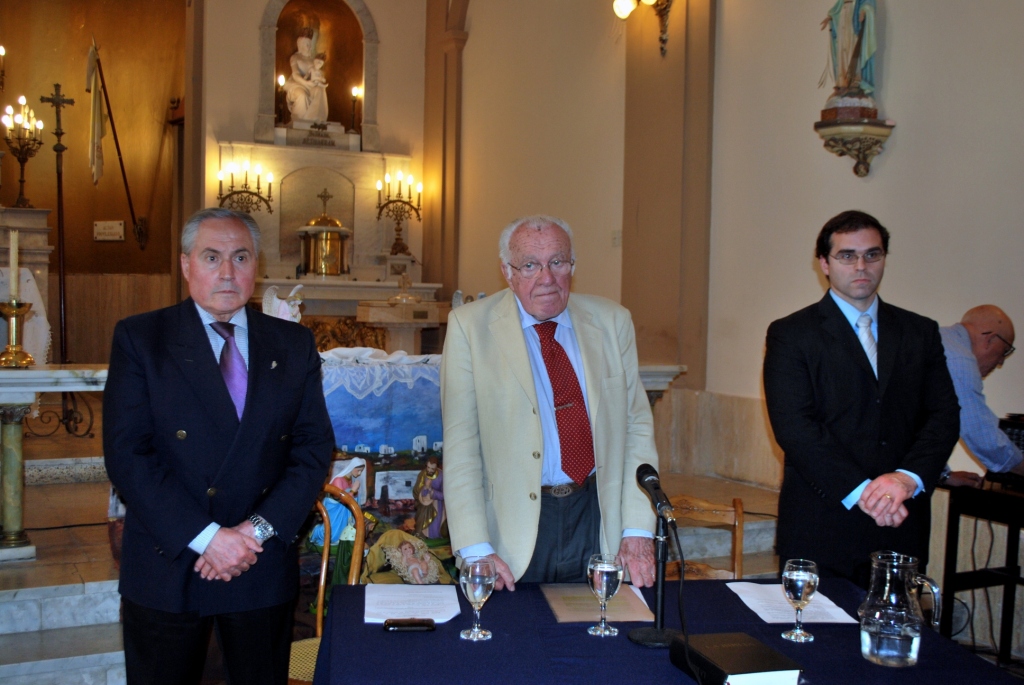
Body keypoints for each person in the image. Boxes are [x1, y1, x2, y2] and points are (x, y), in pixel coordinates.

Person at [103, 207, 334, 685]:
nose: (227, 272)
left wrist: (253, 533)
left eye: (240, 257)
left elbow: (312, 450)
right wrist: (210, 538)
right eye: (212, 257)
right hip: (172, 562)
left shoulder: (292, 344)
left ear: (257, 266)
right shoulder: (142, 338)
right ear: (186, 264)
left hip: (260, 562)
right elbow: (129, 455)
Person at [440, 215, 658, 591]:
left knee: (600, 639)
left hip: (595, 515)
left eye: (558, 262)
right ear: (507, 272)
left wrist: (637, 527)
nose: (547, 277)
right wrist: (475, 547)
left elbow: (636, 426)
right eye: (530, 265)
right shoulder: (469, 328)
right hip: (514, 530)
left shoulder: (612, 322)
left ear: (573, 265)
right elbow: (461, 445)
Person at [763, 210, 959, 588]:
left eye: (873, 254)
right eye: (847, 256)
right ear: (824, 263)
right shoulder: (792, 334)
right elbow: (796, 428)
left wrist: (905, 480)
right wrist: (867, 494)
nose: (861, 266)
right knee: (816, 645)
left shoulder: (919, 332)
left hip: (900, 524)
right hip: (822, 524)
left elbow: (944, 416)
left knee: (891, 642)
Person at [939, 305, 1023, 488]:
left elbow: (910, 425)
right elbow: (979, 431)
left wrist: (943, 475)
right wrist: (1019, 465)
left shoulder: (939, 338)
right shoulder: (959, 359)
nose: (1000, 362)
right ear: (990, 339)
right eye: (1004, 352)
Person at [283, 33, 329, 122]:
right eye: (307, 44)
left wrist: (319, 81)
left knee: (320, 90)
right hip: (297, 84)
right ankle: (299, 122)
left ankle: (317, 119)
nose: (309, 47)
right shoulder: (295, 57)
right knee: (302, 95)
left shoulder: (313, 60)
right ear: (300, 45)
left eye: (310, 44)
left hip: (311, 86)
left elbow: (317, 74)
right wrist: (306, 83)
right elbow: (295, 74)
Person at [414, 457, 445, 539]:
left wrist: (431, 490)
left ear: (437, 467)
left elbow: (445, 494)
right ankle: (422, 536)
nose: (430, 470)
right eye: (428, 467)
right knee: (421, 522)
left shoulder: (442, 476)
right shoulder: (422, 474)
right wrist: (425, 488)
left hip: (437, 505)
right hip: (424, 505)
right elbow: (416, 490)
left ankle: (435, 538)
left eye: (432, 468)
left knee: (435, 524)